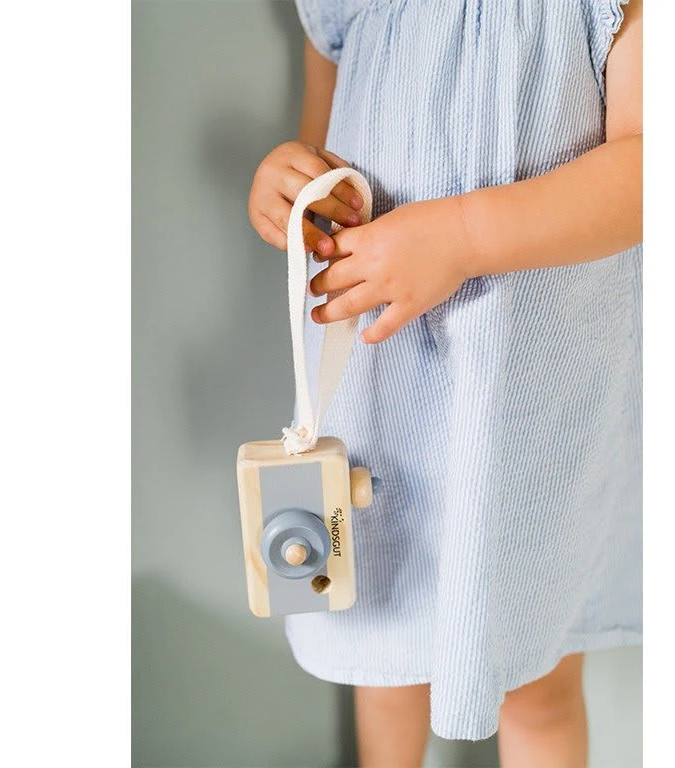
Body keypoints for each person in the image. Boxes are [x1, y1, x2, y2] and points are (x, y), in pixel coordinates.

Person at [247, 1, 642, 765]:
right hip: (380, 395)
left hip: (534, 405)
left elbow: (645, 168)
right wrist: (289, 190)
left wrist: (460, 238)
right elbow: (325, 173)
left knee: (536, 683)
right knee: (382, 664)